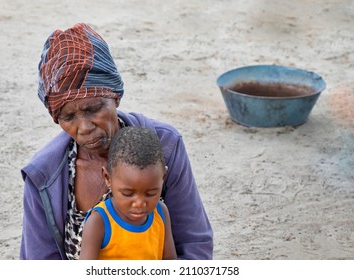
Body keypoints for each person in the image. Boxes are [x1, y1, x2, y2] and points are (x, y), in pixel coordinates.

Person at [20, 22, 213, 260]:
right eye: (68, 117)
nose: (84, 127)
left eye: (93, 109)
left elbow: (194, 243)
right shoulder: (43, 176)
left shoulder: (164, 146)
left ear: (115, 97)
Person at [80, 126, 177, 260]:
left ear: (163, 177)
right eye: (127, 194)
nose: (139, 203)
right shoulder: (99, 222)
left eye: (151, 193)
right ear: (108, 178)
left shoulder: (161, 213)